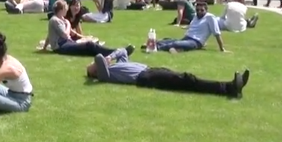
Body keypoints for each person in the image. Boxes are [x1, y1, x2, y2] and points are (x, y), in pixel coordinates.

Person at [86, 48, 249, 99]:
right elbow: (99, 57)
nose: (94, 64)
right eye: (93, 66)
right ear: (95, 72)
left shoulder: (117, 66)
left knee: (186, 80)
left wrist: (111, 58)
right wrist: (107, 58)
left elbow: (123, 50)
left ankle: (230, 87)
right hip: (145, 77)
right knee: (187, 79)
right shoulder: (105, 75)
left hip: (150, 70)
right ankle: (229, 88)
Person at [45, 1, 130, 57]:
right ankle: (117, 52)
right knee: (89, 45)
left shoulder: (58, 19)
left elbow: (49, 35)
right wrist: (68, 24)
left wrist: (44, 47)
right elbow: (66, 35)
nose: (66, 10)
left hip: (64, 44)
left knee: (90, 49)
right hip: (61, 47)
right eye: (65, 8)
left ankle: (118, 52)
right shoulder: (55, 20)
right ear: (61, 9)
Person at [157, 1, 227, 53]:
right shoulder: (196, 16)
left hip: (195, 42)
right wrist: (185, 27)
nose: (199, 12)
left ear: (206, 10)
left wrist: (222, 49)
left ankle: (157, 48)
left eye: (202, 10)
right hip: (187, 37)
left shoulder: (210, 17)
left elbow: (217, 34)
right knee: (169, 40)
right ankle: (154, 43)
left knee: (176, 43)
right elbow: (193, 26)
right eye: (197, 10)